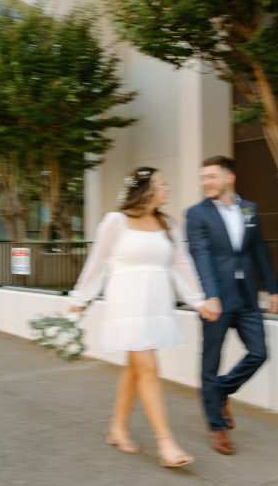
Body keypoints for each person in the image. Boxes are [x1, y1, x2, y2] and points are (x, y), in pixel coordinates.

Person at [69, 167, 218, 469]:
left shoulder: (166, 223)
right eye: (163, 184)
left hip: (155, 304)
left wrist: (197, 300)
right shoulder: (116, 221)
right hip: (126, 303)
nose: (168, 189)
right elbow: (97, 262)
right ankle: (166, 443)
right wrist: (79, 299)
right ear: (146, 188)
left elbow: (181, 264)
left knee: (136, 368)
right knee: (148, 366)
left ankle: (117, 427)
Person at [186, 156, 278, 455]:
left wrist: (272, 289)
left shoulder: (250, 208)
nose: (206, 182)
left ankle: (222, 390)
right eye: (204, 178)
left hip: (247, 296)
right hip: (217, 299)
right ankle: (217, 427)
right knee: (210, 362)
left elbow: (259, 250)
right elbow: (200, 255)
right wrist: (210, 295)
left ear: (230, 178)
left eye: (212, 176)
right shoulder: (196, 214)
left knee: (259, 353)